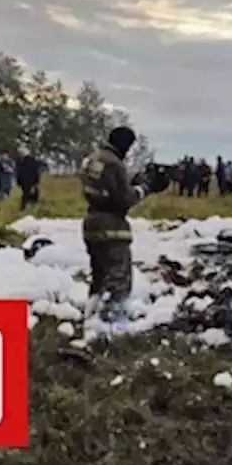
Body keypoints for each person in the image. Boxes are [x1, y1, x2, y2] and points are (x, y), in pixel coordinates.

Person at [79, 126, 169, 325]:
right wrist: (145, 188)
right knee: (118, 280)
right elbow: (123, 199)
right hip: (111, 226)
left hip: (91, 222)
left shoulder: (93, 158)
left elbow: (106, 189)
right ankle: (111, 327)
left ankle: (89, 319)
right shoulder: (114, 164)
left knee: (98, 278)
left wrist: (131, 183)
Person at [16, 146, 42, 211]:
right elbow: (19, 172)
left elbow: (35, 172)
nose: (20, 154)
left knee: (29, 196)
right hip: (25, 182)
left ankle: (26, 209)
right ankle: (27, 209)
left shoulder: (31, 161)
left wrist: (35, 182)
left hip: (30, 182)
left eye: (20, 153)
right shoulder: (20, 161)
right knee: (27, 196)